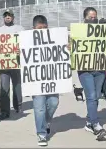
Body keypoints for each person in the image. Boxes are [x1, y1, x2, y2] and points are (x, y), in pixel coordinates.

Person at [72, 7, 106, 140]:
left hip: (100, 69)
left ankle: (88, 122)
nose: (94, 19)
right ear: (85, 17)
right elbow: (71, 45)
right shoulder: (78, 30)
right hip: (85, 70)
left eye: (95, 17)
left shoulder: (102, 31)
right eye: (91, 17)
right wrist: (70, 45)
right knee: (91, 96)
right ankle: (96, 124)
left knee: (97, 96)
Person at [0, 8, 24, 120]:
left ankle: (19, 106)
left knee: (17, 86)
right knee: (4, 87)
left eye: (9, 15)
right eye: (6, 15)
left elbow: (25, 43)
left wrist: (20, 50)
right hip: (3, 64)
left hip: (16, 62)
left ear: (13, 17)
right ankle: (4, 111)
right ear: (3, 17)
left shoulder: (20, 29)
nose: (7, 17)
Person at [30, 15, 61, 147]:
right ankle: (41, 134)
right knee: (39, 108)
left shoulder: (55, 38)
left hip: (52, 78)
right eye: (39, 28)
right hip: (36, 79)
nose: (42, 30)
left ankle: (46, 122)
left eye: (44, 27)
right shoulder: (27, 40)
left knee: (53, 102)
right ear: (33, 28)